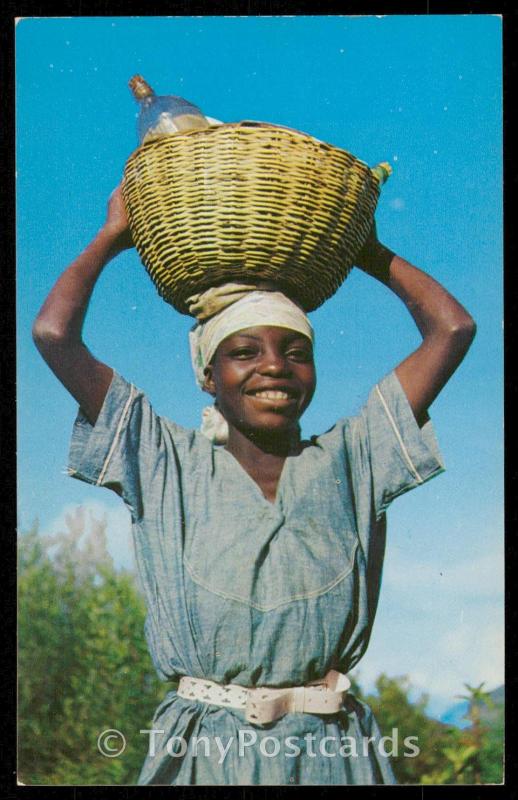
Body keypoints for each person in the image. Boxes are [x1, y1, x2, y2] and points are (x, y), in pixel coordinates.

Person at [33, 184, 476, 785]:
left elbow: (452, 329)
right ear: (209, 376)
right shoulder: (163, 459)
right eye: (245, 351)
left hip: (333, 752)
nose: (274, 366)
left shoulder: (354, 457)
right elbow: (54, 335)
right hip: (203, 751)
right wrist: (113, 237)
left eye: (297, 352)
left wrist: (365, 250)